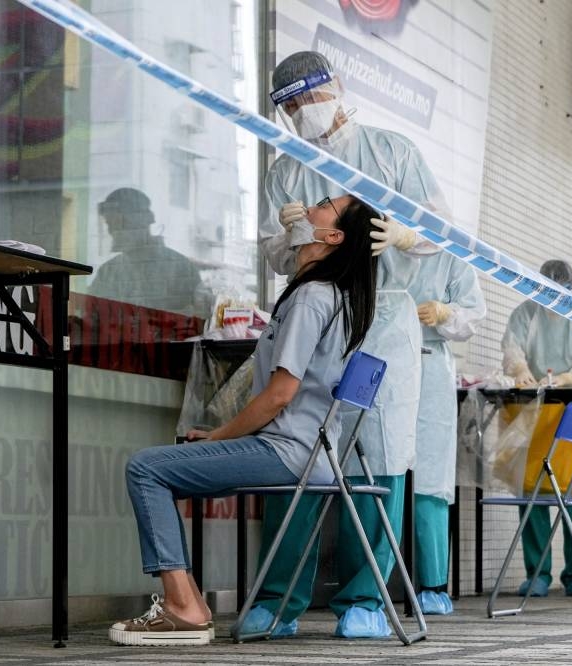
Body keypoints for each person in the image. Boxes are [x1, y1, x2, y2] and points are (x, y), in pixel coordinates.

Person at [108, 195, 379, 646]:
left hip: (286, 452)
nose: (308, 207)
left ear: (333, 237)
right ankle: (187, 602)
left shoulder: (313, 299)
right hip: (307, 451)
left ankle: (184, 608)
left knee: (146, 468)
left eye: (324, 206)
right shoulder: (329, 295)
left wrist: (216, 435)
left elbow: (280, 395)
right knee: (159, 468)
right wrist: (219, 439)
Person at [248, 50, 448, 639]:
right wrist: (288, 236)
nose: (304, 113)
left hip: (382, 324)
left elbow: (441, 230)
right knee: (295, 448)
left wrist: (411, 235)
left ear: (336, 86)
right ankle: (277, 599)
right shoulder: (285, 171)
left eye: (310, 97)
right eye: (290, 107)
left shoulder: (392, 152)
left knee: (381, 454)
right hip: (316, 321)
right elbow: (275, 252)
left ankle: (365, 600)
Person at [500, 259, 572, 597]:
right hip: (531, 407)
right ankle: (538, 572)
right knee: (530, 493)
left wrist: (568, 378)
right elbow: (512, 347)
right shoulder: (526, 313)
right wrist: (519, 369)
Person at [408, 255, 486, 614]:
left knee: (430, 473)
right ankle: (370, 586)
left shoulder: (448, 252)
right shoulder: (372, 238)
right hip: (381, 357)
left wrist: (445, 313)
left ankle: (432, 583)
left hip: (430, 362)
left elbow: (472, 313)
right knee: (375, 465)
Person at [88, 187, 204, 315]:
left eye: (119, 223)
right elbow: (91, 320)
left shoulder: (181, 268)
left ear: (142, 221)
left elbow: (198, 320)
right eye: (109, 225)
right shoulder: (108, 272)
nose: (112, 231)